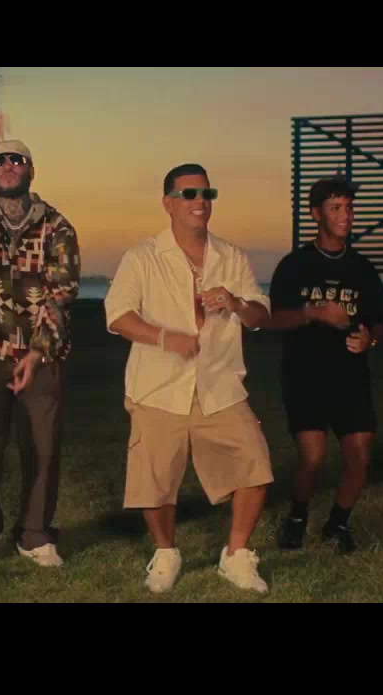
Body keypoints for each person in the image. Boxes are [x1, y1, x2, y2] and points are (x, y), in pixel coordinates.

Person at [104, 163, 274, 594]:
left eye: (206, 194)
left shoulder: (231, 257)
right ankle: (166, 553)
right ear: (168, 203)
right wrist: (165, 338)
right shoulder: (142, 257)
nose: (200, 202)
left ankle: (236, 555)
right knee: (154, 485)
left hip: (219, 385)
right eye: (190, 194)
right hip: (158, 388)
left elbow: (261, 314)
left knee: (256, 465)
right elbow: (118, 315)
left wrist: (235, 302)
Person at [0, 112, 80, 569]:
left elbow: (62, 295)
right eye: (1, 161)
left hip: (42, 355)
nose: (8, 166)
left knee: (42, 447)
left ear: (30, 170)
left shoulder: (57, 227)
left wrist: (39, 352)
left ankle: (34, 535)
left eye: (16, 160)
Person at [267, 177, 383, 553]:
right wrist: (315, 312)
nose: (345, 215)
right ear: (316, 213)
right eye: (336, 208)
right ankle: (297, 518)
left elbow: (380, 320)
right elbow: (274, 318)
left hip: (351, 377)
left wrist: (370, 339)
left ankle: (337, 524)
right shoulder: (295, 265)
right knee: (314, 455)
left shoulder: (362, 269)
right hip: (305, 376)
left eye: (349, 208)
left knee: (359, 455)